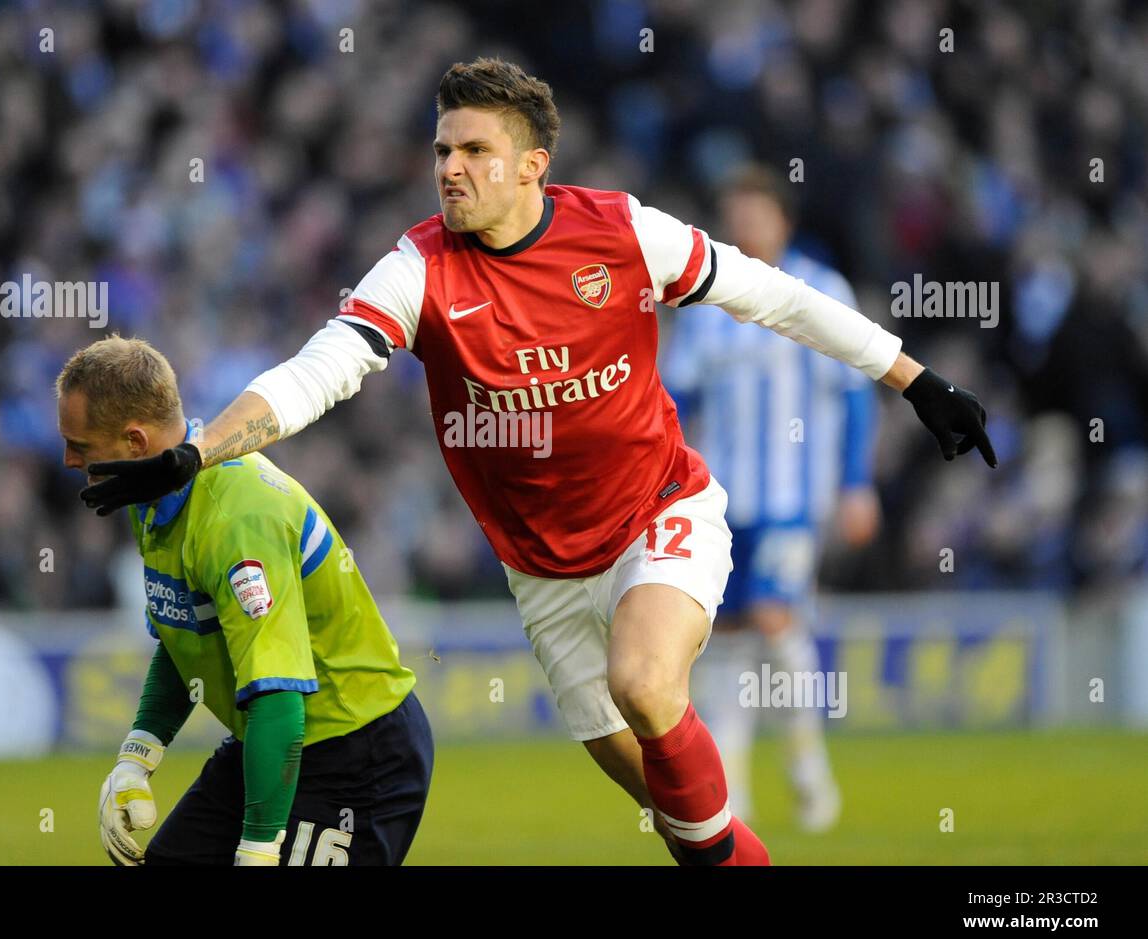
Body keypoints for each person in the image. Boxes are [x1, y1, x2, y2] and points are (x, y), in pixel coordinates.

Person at [81, 58, 994, 866]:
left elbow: (774, 295)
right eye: (441, 150)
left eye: (474, 151)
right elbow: (323, 368)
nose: (449, 169)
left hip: (660, 513)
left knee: (645, 684)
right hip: (543, 573)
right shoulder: (420, 267)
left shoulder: (623, 234)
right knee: (669, 809)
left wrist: (913, 379)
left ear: (531, 166)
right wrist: (199, 450)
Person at [56, 335, 433, 865]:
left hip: (353, 753)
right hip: (271, 743)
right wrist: (137, 757)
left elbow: (279, 696)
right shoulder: (148, 494)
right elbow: (182, 629)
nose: (70, 459)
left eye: (80, 445)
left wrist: (258, 848)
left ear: (135, 440)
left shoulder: (237, 519)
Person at [663, 165, 881, 831]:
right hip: (722, 504)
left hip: (793, 496)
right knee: (725, 640)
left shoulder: (820, 288)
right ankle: (733, 794)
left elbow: (855, 392)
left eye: (757, 213)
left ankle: (808, 771)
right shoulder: (705, 301)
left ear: (782, 219)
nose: (746, 226)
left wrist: (855, 483)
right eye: (736, 214)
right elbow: (677, 399)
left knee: (774, 619)